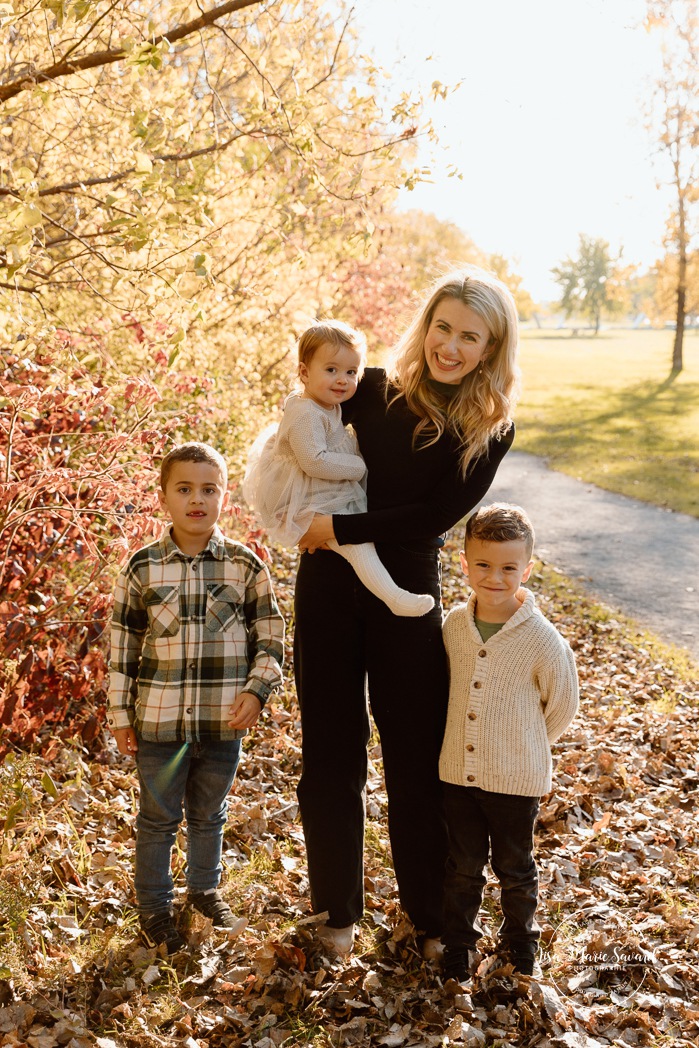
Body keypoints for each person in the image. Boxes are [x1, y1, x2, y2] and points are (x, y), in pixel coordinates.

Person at [293, 266, 520, 957]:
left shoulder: (489, 426)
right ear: (425, 325)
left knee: (414, 760)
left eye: (468, 337)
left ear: (491, 348)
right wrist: (304, 520)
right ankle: (335, 914)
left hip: (408, 596)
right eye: (441, 327)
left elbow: (431, 516)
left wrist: (339, 528)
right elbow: (297, 436)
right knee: (330, 753)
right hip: (328, 586)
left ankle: (427, 918)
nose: (449, 346)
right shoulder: (365, 387)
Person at [108, 442, 284, 953]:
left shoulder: (244, 567)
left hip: (221, 721)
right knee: (158, 819)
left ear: (225, 496)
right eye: (184, 489)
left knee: (210, 814)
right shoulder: (142, 568)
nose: (197, 499)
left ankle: (204, 891)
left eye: (209, 489)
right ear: (164, 497)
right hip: (160, 723)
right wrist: (122, 715)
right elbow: (123, 650)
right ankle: (154, 909)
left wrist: (257, 691)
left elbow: (271, 636)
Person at [439, 503, 579, 984]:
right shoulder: (455, 625)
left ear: (526, 569)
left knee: (515, 868)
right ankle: (458, 946)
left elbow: (560, 707)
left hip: (516, 780)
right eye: (482, 565)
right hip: (457, 773)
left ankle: (522, 946)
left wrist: (525, 747)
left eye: (507, 568)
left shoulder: (541, 639)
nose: (494, 577)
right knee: (462, 868)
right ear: (464, 564)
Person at [243, 320, 434, 617]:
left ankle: (389, 596)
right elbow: (314, 460)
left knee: (354, 542)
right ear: (304, 373)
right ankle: (394, 597)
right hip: (305, 497)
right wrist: (357, 467)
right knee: (358, 545)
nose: (343, 380)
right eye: (331, 370)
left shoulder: (325, 402)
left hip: (318, 491)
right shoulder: (306, 411)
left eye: (351, 372)